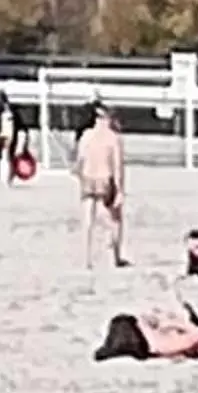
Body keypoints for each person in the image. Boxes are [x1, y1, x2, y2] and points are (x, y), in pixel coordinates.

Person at [74, 102, 127, 269]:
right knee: (114, 220)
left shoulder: (86, 136)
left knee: (88, 220)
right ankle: (116, 256)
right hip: (105, 178)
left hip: (88, 178)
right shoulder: (113, 138)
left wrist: (79, 174)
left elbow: (79, 161)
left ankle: (86, 258)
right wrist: (119, 189)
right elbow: (117, 166)